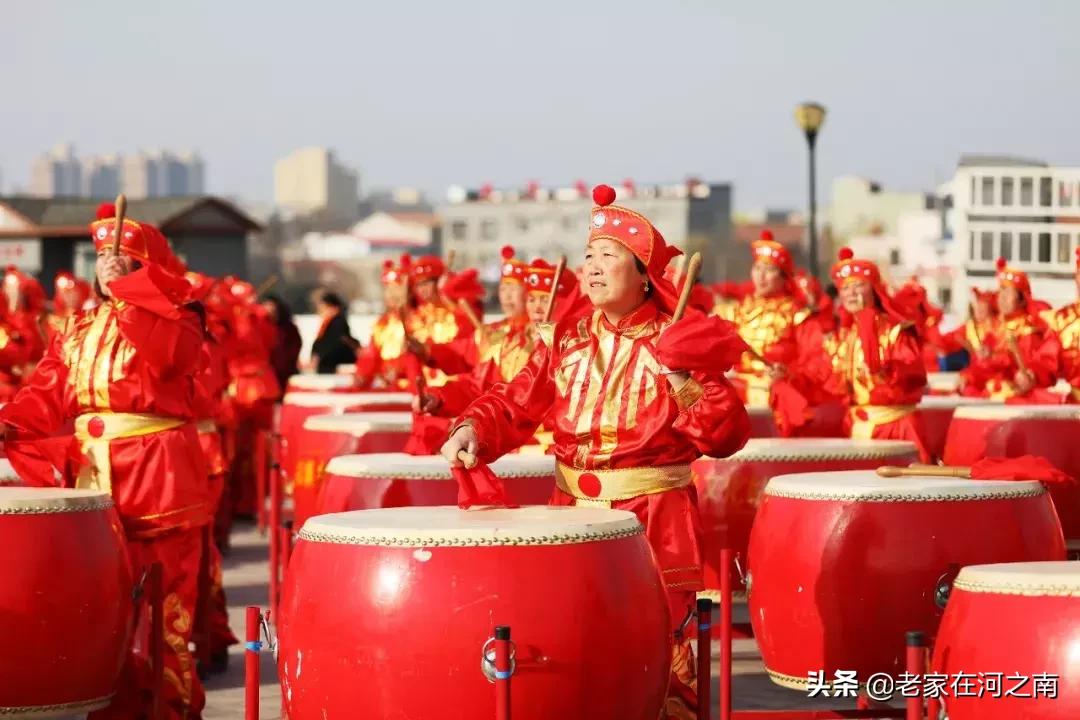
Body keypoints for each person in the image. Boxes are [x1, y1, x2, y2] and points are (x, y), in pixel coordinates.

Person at [441, 184, 750, 720]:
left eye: (609, 256)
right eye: (589, 255)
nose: (593, 267)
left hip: (651, 516)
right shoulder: (567, 336)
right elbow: (518, 400)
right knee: (572, 638)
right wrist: (475, 428)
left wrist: (680, 377)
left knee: (659, 651)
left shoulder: (677, 337)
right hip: (572, 511)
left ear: (644, 275)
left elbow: (725, 436)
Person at [0, 212, 212, 719]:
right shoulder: (77, 328)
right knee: (107, 605)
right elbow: (46, 392)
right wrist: (8, 423)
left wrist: (133, 292)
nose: (107, 265)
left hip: (158, 477)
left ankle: (168, 708)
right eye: (101, 257)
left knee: (166, 612)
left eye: (124, 258)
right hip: (94, 472)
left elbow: (169, 361)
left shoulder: (179, 317)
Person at [789, 248, 931, 461]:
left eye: (858, 285)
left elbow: (913, 374)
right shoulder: (845, 337)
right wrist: (788, 376)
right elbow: (823, 376)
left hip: (895, 428)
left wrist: (886, 371)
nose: (851, 293)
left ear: (874, 289)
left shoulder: (895, 330)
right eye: (845, 288)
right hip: (857, 428)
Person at [714, 230, 813, 408]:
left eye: (769, 270)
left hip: (776, 389)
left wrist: (788, 373)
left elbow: (813, 362)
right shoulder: (738, 309)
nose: (761, 276)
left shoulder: (797, 314)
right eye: (758, 268)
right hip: (739, 385)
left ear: (784, 278)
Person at [960, 258, 1059, 401]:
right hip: (996, 394)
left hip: (1018, 397)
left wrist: (1032, 375)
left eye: (1008, 293)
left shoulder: (1029, 329)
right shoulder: (997, 328)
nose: (1002, 298)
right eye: (1001, 292)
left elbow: (1042, 367)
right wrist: (969, 374)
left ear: (1021, 299)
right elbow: (982, 366)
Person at [262, 294, 302, 394]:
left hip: (284, 372)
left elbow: (295, 346)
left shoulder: (288, 329)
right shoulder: (261, 327)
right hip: (266, 373)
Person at [310, 291, 357, 374]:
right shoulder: (328, 324)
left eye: (323, 308)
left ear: (334, 308)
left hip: (333, 368)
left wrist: (319, 358)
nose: (320, 312)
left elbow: (334, 346)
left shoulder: (337, 324)